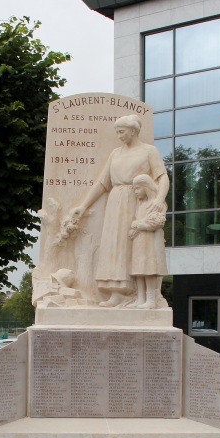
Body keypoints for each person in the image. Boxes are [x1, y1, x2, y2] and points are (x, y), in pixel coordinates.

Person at [65, 114, 169, 307]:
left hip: (136, 202)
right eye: (117, 132)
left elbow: (162, 177)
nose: (119, 136)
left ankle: (139, 294)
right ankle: (116, 293)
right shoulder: (115, 153)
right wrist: (83, 206)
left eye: (121, 132)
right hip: (115, 201)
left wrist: (159, 199)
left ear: (133, 130)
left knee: (132, 248)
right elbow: (102, 183)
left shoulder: (148, 151)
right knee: (113, 246)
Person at [127, 174, 168, 309]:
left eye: (138, 188)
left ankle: (151, 300)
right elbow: (139, 221)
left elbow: (156, 222)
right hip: (139, 242)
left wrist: (137, 225)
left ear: (146, 187)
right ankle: (140, 298)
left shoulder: (157, 203)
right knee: (139, 269)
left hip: (151, 242)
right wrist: (135, 227)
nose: (136, 192)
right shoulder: (142, 205)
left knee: (150, 269)